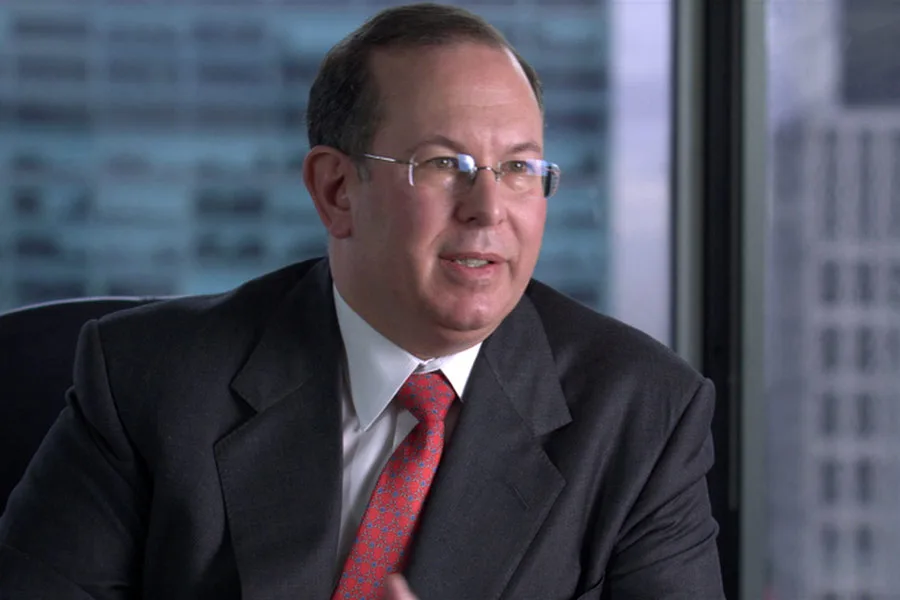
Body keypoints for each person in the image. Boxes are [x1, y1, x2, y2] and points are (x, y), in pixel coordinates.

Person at [0, 3, 724, 599]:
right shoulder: (150, 379)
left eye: (518, 168)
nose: (488, 208)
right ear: (337, 190)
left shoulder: (642, 413)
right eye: (444, 164)